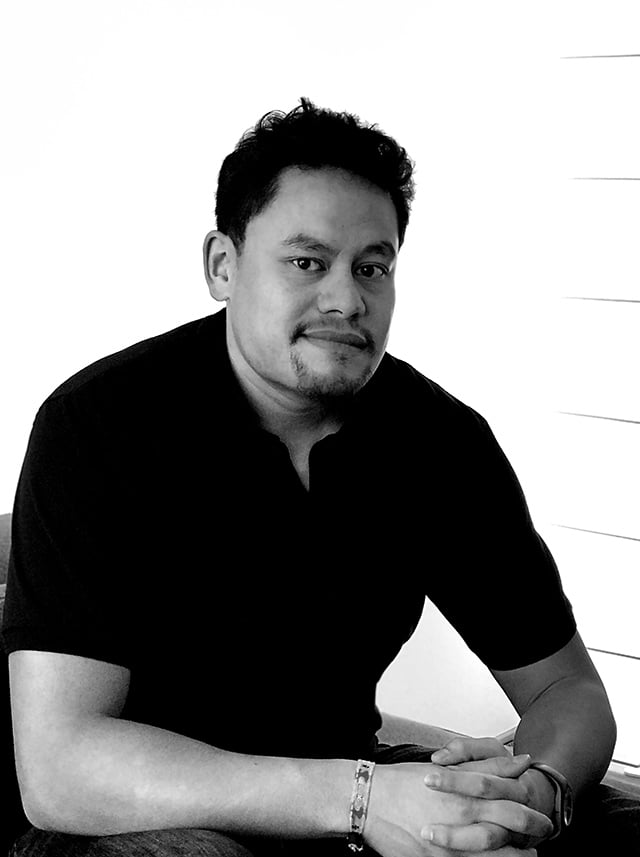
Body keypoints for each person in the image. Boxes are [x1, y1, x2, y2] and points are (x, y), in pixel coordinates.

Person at [2, 97, 638, 857]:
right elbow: (61, 768)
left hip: (344, 783)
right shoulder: (97, 426)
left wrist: (536, 792)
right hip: (132, 817)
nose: (347, 299)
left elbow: (567, 690)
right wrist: (362, 800)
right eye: (307, 262)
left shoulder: (439, 442)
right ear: (223, 265)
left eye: (373, 268)